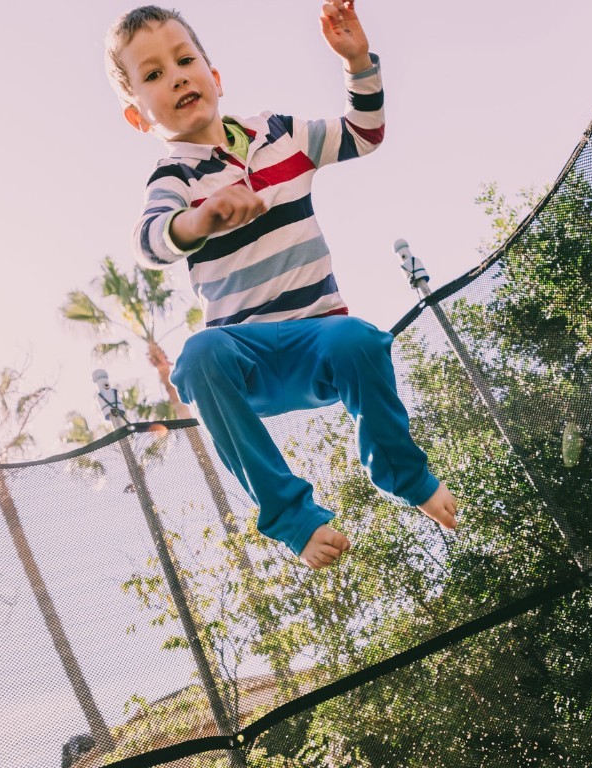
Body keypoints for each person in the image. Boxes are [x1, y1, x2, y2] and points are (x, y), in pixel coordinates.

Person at [105, 1, 457, 569]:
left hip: (319, 342)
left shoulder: (280, 134)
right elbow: (149, 242)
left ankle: (406, 477)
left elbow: (363, 135)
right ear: (139, 116)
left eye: (184, 60)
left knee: (358, 339)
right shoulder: (173, 178)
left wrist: (358, 61)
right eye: (152, 75)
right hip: (250, 364)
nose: (175, 77)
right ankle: (293, 517)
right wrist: (200, 218)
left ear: (214, 77)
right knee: (198, 355)